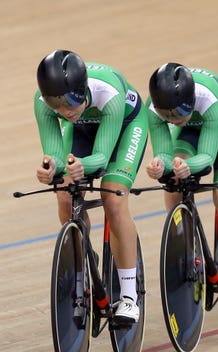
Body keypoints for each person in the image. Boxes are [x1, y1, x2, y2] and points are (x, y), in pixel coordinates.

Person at [34, 49, 148, 323]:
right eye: (56, 104)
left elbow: (102, 158)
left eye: (72, 100)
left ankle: (130, 297)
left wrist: (84, 166)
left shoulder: (108, 91)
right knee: (64, 194)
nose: (65, 110)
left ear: (84, 89)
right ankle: (83, 253)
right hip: (83, 131)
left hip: (124, 128)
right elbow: (56, 157)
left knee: (114, 198)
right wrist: (51, 170)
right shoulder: (43, 104)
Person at [145, 63, 218, 304]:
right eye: (168, 116)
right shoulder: (155, 107)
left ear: (190, 102)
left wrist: (188, 167)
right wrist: (160, 166)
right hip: (193, 132)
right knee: (173, 188)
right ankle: (190, 254)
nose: (173, 120)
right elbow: (166, 155)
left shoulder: (208, 96)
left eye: (179, 113)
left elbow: (207, 159)